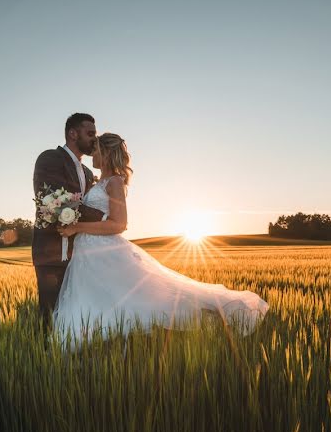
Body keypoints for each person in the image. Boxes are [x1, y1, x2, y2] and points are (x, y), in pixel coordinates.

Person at [53, 133, 268, 345]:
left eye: (97, 150)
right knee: (98, 296)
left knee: (144, 299)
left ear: (107, 153)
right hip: (88, 249)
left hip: (104, 249)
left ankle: (209, 317)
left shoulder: (115, 182)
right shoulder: (99, 181)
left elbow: (119, 224)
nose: (92, 154)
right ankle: (89, 337)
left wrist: (77, 226)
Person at [31, 113, 105, 322]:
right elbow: (49, 201)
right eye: (90, 133)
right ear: (73, 133)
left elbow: (84, 205)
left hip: (82, 255)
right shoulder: (50, 158)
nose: (94, 139)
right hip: (51, 254)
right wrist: (104, 217)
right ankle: (46, 354)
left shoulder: (88, 173)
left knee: (78, 315)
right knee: (50, 315)